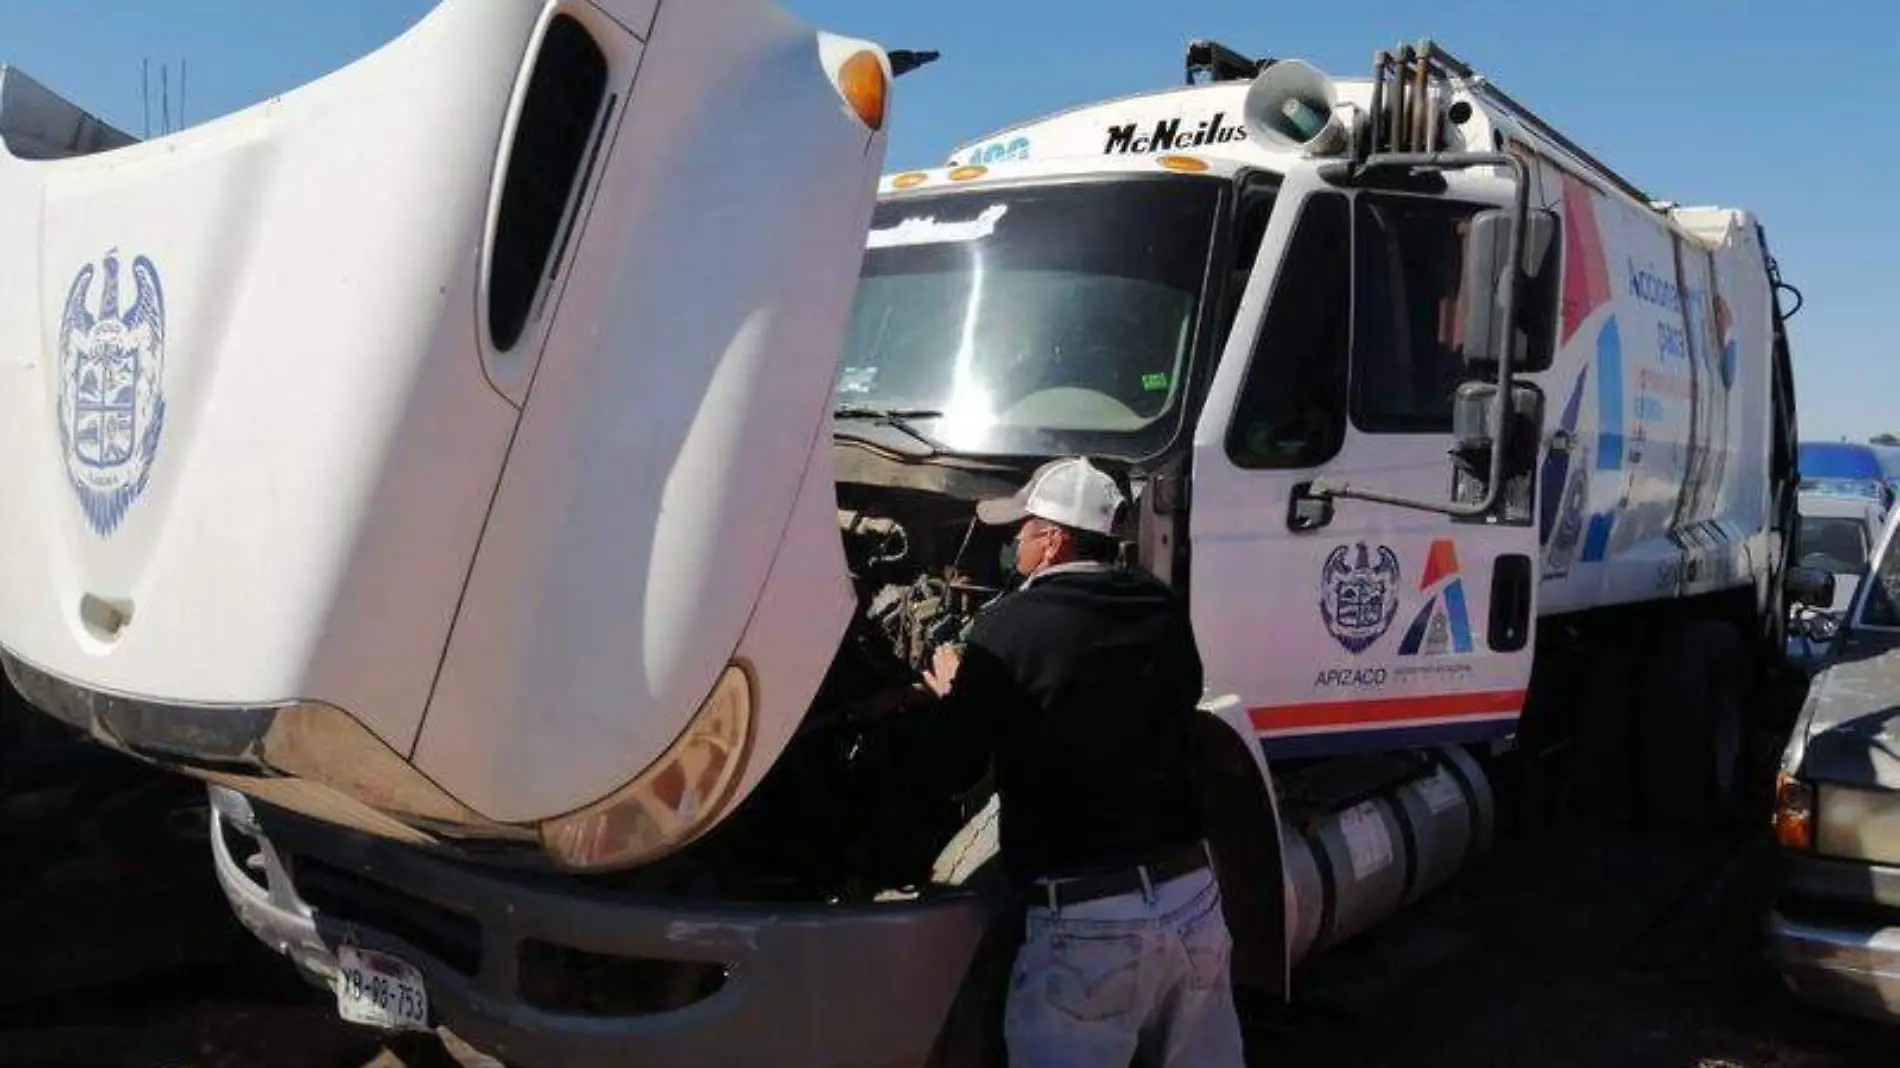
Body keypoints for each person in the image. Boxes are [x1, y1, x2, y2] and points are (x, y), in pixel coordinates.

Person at [916, 455, 1245, 1068]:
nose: (1015, 540)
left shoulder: (1005, 631)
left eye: (1024, 528)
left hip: (1090, 928)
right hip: (1193, 900)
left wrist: (954, 696)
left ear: (1053, 540)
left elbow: (949, 770)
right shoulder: (1160, 607)